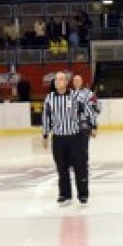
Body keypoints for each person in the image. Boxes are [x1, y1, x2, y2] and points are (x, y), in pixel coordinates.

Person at [42, 72, 97, 207]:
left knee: (80, 166)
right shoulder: (50, 98)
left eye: (61, 79)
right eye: (56, 80)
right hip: (58, 138)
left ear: (66, 82)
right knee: (62, 168)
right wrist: (45, 135)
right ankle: (65, 194)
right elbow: (46, 117)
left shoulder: (75, 96)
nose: (58, 82)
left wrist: (93, 126)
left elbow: (88, 110)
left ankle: (83, 195)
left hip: (75, 137)